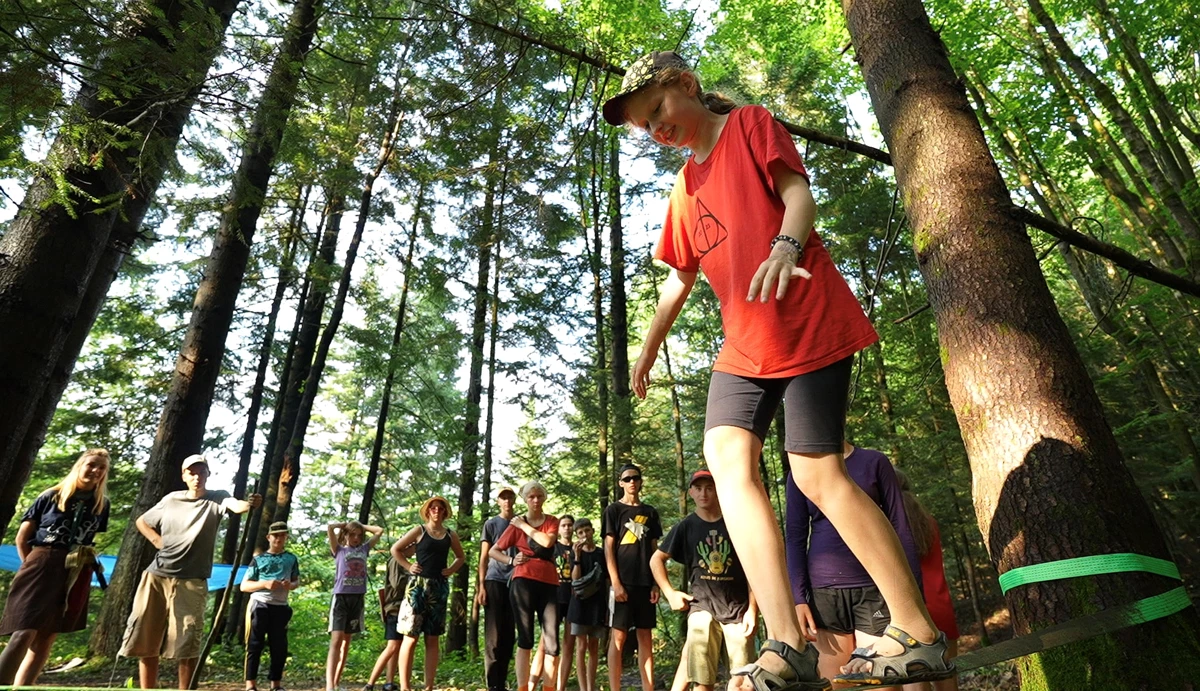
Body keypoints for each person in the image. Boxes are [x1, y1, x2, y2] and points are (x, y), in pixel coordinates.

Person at [612, 50, 954, 688]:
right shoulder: (684, 189)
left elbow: (798, 195)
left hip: (805, 318)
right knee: (726, 461)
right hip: (745, 346)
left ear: (687, 84)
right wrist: (649, 345)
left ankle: (917, 628)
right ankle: (786, 642)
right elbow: (678, 277)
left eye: (658, 109)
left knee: (816, 473)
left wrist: (785, 246)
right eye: (645, 126)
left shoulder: (749, 125)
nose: (657, 128)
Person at [120, 453, 261, 690]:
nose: (197, 477)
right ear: (184, 476)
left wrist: (249, 504)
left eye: (201, 472)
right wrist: (157, 541)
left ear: (208, 474)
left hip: (192, 579)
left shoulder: (217, 497)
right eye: (192, 472)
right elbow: (142, 521)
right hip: (157, 576)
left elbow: (236, 506)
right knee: (147, 636)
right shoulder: (171, 499)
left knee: (188, 639)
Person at [785, 443, 921, 688]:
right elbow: (795, 537)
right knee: (833, 683)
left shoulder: (874, 462)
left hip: (875, 588)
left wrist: (916, 597)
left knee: (880, 682)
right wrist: (798, 598)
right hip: (825, 593)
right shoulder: (800, 471)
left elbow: (900, 528)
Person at [0, 449, 111, 686]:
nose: (96, 470)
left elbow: (88, 538)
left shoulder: (101, 504)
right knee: (24, 631)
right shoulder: (51, 496)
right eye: (91, 464)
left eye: (102, 468)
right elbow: (22, 538)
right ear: (80, 465)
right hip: (41, 563)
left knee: (47, 637)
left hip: (76, 568)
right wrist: (31, 566)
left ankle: (23, 689)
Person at [652, 470, 756, 691]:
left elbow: (753, 568)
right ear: (690, 492)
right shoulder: (686, 527)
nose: (704, 493)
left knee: (744, 681)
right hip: (702, 607)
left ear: (717, 490)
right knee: (702, 679)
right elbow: (656, 559)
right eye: (698, 488)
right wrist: (670, 593)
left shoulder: (735, 523)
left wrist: (752, 609)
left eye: (709, 488)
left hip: (738, 610)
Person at [490, 482, 561, 691]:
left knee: (552, 643)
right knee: (525, 638)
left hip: (549, 582)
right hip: (523, 582)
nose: (535, 500)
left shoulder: (551, 521)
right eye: (531, 497)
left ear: (544, 498)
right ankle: (523, 688)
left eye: (539, 496)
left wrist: (522, 526)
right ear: (525, 499)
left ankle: (548, 687)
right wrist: (511, 561)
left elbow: (547, 542)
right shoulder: (514, 525)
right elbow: (493, 551)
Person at [895, 471, 960, 691]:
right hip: (942, 608)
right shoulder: (928, 522)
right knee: (948, 682)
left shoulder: (890, 525)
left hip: (912, 612)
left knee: (916, 685)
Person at [393, 496, 467, 691]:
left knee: (432, 638)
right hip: (417, 587)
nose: (436, 511)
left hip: (439, 588)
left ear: (445, 512)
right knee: (410, 636)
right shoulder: (419, 531)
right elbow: (396, 549)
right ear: (427, 511)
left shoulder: (450, 535)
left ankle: (429, 687)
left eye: (440, 508)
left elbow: (460, 557)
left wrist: (450, 570)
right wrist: (409, 566)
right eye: (433, 508)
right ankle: (405, 687)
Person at [602, 463, 663, 691]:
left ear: (640, 481)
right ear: (620, 483)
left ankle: (649, 687)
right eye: (627, 479)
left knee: (645, 637)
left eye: (635, 478)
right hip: (622, 583)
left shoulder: (650, 512)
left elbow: (655, 550)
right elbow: (608, 548)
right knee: (617, 637)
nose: (632, 482)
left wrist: (656, 582)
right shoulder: (613, 510)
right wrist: (615, 583)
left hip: (645, 583)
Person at [326, 520, 386, 691]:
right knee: (336, 640)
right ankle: (329, 686)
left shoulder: (364, 549)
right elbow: (330, 528)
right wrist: (345, 526)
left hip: (357, 599)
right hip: (341, 598)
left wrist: (360, 526)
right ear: (345, 535)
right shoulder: (339, 550)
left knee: (346, 641)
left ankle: (336, 682)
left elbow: (379, 530)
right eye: (352, 535)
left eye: (359, 535)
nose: (356, 538)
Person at [241, 521, 301, 691]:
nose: (278, 539)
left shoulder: (291, 559)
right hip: (260, 604)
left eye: (282, 535)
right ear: (268, 537)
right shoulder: (258, 560)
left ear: (286, 537)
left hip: (281, 607)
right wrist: (264, 584)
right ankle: (250, 685)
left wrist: (290, 585)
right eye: (275, 535)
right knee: (254, 645)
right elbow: (244, 586)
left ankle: (276, 685)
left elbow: (296, 581)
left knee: (279, 647)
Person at [476, 486, 519, 691]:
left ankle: (502, 682)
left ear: (514, 500)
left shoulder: (521, 523)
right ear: (498, 502)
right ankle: (493, 684)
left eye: (510, 497)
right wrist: (481, 586)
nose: (507, 501)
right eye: (503, 497)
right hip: (494, 580)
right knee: (494, 635)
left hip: (516, 581)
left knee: (509, 634)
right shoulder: (491, 524)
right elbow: (484, 557)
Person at [531, 514, 576, 691]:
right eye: (563, 525)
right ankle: (530, 686)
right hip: (554, 598)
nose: (567, 528)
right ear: (558, 528)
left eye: (570, 525)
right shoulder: (552, 547)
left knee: (568, 645)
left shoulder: (577, 549)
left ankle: (559, 687)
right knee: (545, 644)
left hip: (573, 600)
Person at [364, 543, 417, 691]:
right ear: (407, 546)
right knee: (392, 646)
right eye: (414, 548)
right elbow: (396, 583)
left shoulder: (402, 561)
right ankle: (370, 684)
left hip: (401, 608)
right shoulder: (396, 560)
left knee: (397, 646)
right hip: (395, 608)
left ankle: (389, 682)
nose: (414, 552)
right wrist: (413, 575)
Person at [566, 518, 607, 691]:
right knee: (581, 646)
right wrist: (577, 557)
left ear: (592, 531)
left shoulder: (602, 553)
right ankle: (583, 688)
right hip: (579, 604)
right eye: (580, 532)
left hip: (598, 604)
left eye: (587, 530)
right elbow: (575, 579)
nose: (585, 535)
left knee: (594, 647)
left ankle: (591, 687)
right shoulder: (575, 553)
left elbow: (606, 579)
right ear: (577, 535)